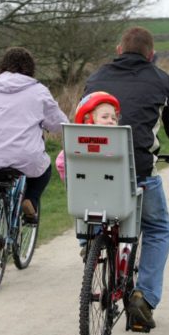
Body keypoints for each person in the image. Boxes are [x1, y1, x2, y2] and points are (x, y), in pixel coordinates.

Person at [83, 26, 169, 330]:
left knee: (99, 209)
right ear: (151, 55)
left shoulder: (96, 78)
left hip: (95, 174)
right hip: (139, 176)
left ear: (119, 50)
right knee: (158, 228)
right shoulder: (160, 79)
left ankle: (91, 240)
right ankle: (144, 297)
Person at [0, 47, 68, 259]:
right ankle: (30, 200)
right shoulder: (38, 90)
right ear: (30, 68)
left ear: (3, 65)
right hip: (27, 156)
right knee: (44, 172)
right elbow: (58, 123)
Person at [55, 91, 120, 256]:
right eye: (105, 117)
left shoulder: (115, 142)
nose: (111, 121)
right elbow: (62, 162)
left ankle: (89, 241)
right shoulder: (81, 143)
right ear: (88, 120)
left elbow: (61, 162)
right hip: (97, 193)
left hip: (99, 192)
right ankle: (90, 242)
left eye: (114, 118)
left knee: (87, 205)